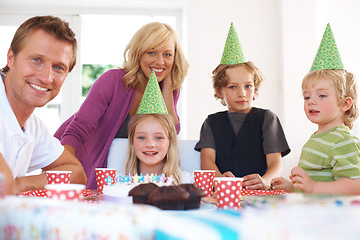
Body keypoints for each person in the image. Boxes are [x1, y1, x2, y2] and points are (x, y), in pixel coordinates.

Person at [54, 22, 189, 189]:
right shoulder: (113, 81)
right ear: (138, 54)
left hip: (119, 173)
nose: (160, 61)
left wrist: (168, 87)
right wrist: (65, 169)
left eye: (167, 55)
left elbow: (170, 131)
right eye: (151, 52)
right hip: (85, 158)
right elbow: (79, 127)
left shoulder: (169, 91)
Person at [195, 23, 290, 190]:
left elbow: (276, 164)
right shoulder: (211, 123)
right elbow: (207, 160)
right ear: (219, 91)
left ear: (255, 89)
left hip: (260, 194)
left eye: (248, 86)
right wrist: (222, 182)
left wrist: (266, 181)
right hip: (223, 194)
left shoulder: (267, 119)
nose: (242, 93)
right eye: (232, 87)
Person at [0, 15, 87, 194]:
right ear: (11, 58)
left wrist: (21, 184)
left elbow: (76, 173)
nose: (46, 77)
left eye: (58, 67)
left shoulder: (33, 126)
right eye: (37, 60)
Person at [271, 24, 360, 195]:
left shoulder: (343, 141)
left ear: (345, 104)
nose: (311, 102)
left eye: (322, 96)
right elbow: (318, 181)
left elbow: (356, 185)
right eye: (307, 97)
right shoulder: (318, 139)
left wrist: (314, 187)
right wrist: (292, 187)